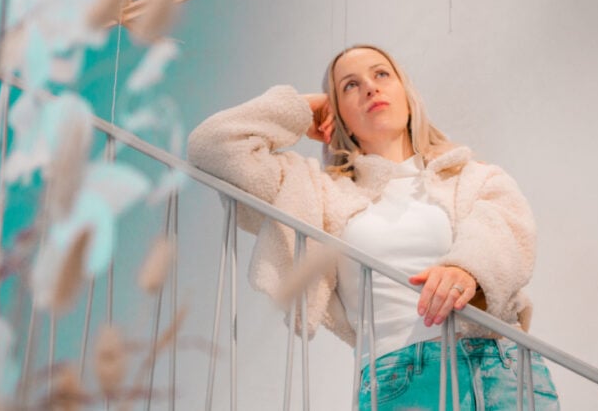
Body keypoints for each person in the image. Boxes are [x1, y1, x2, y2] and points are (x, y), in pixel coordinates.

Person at [188, 45, 559, 409]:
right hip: (399, 380)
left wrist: (466, 268)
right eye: (350, 85)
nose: (370, 87)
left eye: (381, 74)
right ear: (338, 113)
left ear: (406, 93)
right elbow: (211, 146)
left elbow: (503, 231)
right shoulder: (319, 192)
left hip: (502, 369)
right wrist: (303, 109)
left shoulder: (473, 177)